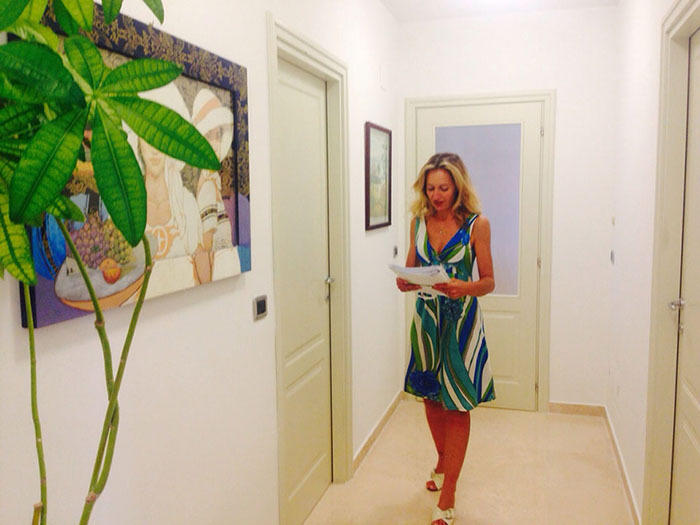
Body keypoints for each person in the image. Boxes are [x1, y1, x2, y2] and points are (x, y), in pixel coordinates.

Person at [396, 152, 496, 525]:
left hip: (460, 323)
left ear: (458, 187)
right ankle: (442, 460)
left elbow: (488, 281)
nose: (436, 195)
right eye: (430, 188)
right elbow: (411, 271)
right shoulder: (418, 223)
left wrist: (462, 286)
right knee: (430, 396)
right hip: (426, 321)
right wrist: (405, 282)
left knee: (456, 405)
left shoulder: (476, 225)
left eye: (443, 188)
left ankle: (449, 490)